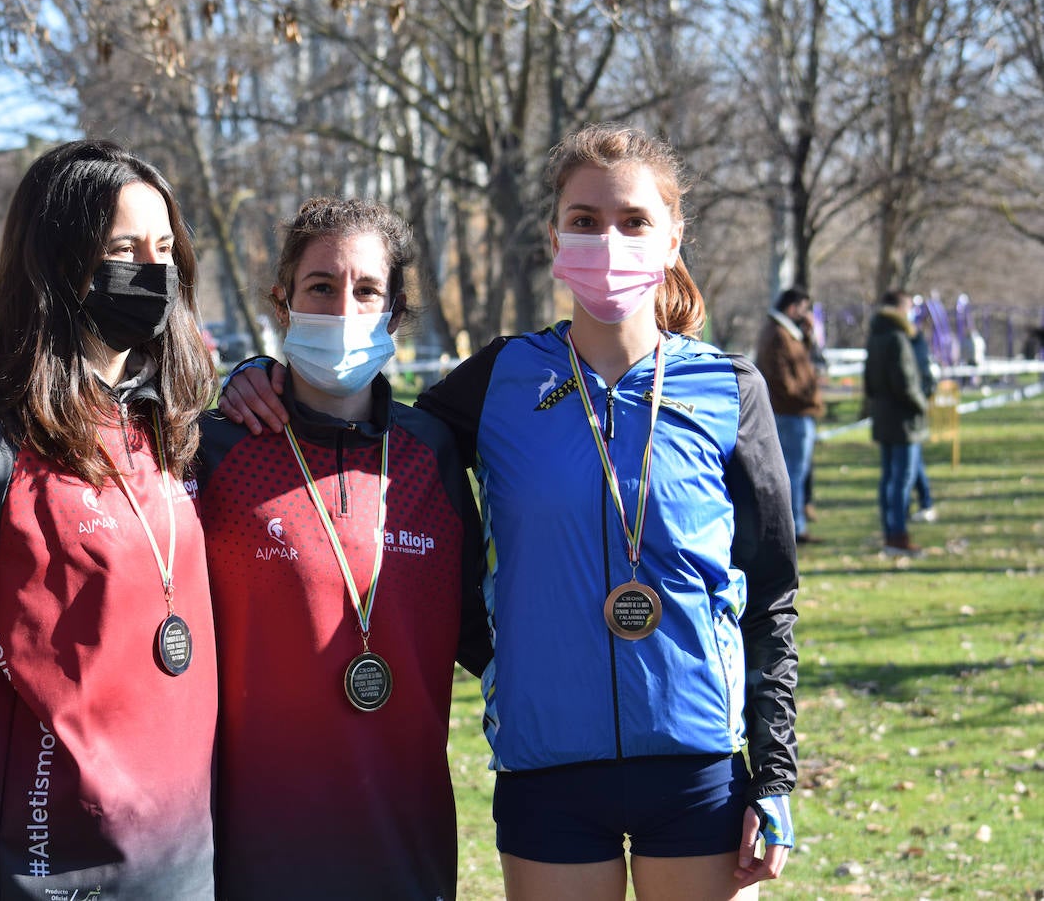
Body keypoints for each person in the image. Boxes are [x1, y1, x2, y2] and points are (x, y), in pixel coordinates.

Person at [221, 123, 799, 900]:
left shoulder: (732, 389)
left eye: (633, 221)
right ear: (555, 234)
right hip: (547, 774)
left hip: (696, 770)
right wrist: (266, 376)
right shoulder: (500, 379)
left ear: (672, 238)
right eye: (585, 221)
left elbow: (770, 594)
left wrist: (774, 773)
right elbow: (370, 428)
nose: (608, 240)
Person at [0, 196, 492, 900]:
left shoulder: (434, 454)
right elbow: (108, 581)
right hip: (243, 849)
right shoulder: (214, 446)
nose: (343, 310)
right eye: (320, 288)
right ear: (282, 302)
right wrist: (1, 677)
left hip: (405, 842)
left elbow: (484, 638)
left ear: (393, 312)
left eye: (367, 291)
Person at [0, 140, 220, 900]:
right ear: (61, 261)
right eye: (124, 249)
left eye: (164, 249)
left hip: (185, 871)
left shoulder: (179, 428)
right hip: (42, 871)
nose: (152, 271)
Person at [754, 287, 824, 545]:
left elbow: (800, 363)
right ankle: (794, 528)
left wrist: (808, 336)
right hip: (791, 413)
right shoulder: (778, 335)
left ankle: (797, 524)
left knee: (797, 471)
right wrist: (805, 398)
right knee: (793, 472)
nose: (806, 315)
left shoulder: (787, 333)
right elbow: (782, 378)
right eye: (804, 309)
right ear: (793, 308)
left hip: (794, 412)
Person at [863, 290, 928, 557]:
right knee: (902, 480)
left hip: (884, 418)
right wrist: (921, 404)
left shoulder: (875, 337)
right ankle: (897, 536)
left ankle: (891, 531)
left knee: (889, 478)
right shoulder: (899, 339)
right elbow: (906, 382)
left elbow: (869, 382)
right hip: (903, 421)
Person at [908, 305, 937, 524]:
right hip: (902, 413)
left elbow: (926, 375)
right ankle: (922, 502)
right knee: (912, 462)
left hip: (912, 412)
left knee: (913, 461)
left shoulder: (918, 342)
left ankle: (925, 502)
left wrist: (920, 400)